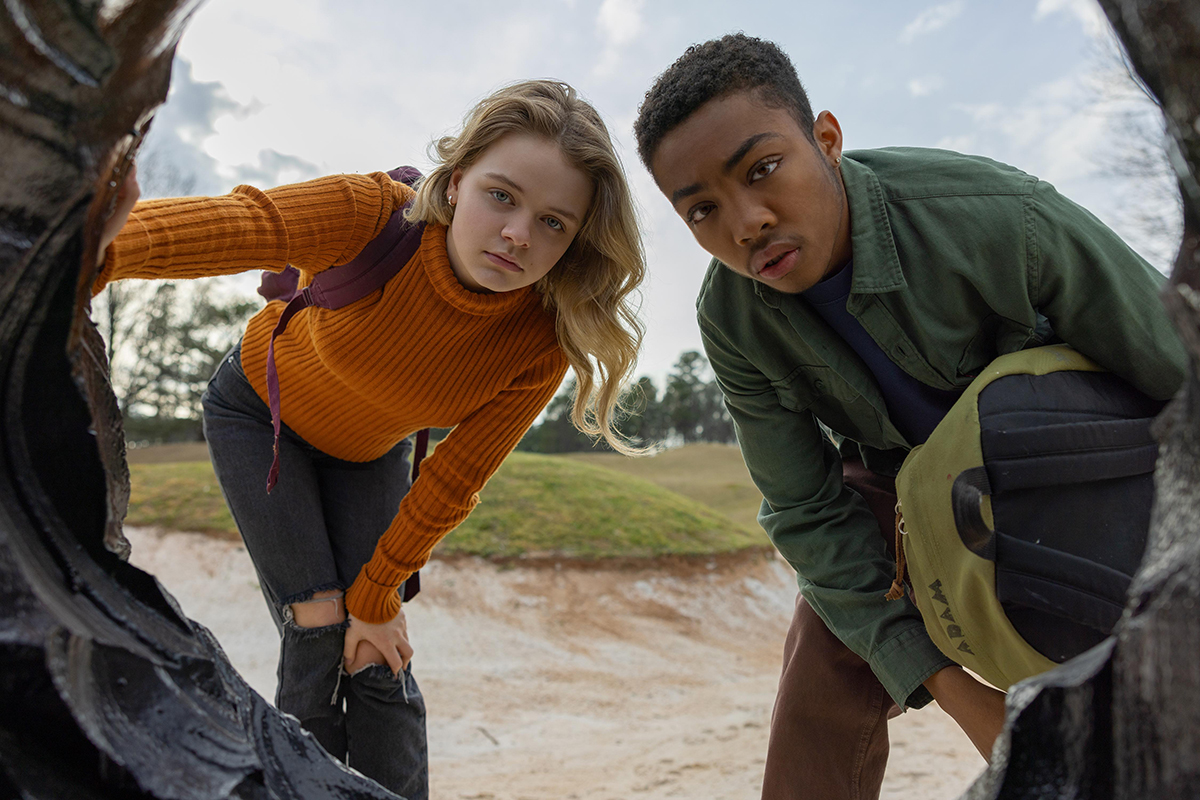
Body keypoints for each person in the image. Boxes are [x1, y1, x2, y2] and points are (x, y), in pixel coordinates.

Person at [632, 33, 1186, 800]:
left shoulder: (1003, 218)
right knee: (827, 636)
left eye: (763, 170)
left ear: (826, 139)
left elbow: (1178, 370)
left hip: (1080, 459)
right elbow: (804, 511)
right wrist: (962, 696)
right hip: (907, 487)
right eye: (701, 210)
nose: (746, 222)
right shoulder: (733, 321)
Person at [94, 79, 646, 798]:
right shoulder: (373, 215)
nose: (518, 234)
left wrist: (380, 591)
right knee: (319, 625)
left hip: (367, 454)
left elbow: (455, 477)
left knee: (376, 649)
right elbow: (241, 224)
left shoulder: (542, 340)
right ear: (454, 183)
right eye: (502, 196)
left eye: (553, 223)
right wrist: (86, 253)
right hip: (259, 414)